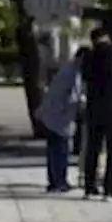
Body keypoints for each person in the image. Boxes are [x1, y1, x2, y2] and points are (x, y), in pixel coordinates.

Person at [81, 23, 112, 200]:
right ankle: (109, 188)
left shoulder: (89, 56)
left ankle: (89, 187)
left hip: (94, 108)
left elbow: (85, 78)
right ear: (107, 37)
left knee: (92, 149)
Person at [35, 47, 88, 193]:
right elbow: (73, 98)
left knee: (54, 150)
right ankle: (59, 181)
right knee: (61, 151)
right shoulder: (72, 74)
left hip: (54, 116)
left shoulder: (67, 70)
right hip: (60, 118)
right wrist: (83, 105)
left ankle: (54, 181)